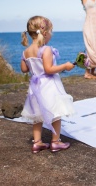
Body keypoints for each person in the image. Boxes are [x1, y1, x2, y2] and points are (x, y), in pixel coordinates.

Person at [20, 15, 76, 153]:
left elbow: (24, 69)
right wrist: (65, 66)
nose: (51, 34)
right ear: (45, 33)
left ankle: (37, 142)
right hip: (49, 86)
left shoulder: (26, 52)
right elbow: (49, 69)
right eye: (51, 31)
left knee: (37, 115)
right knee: (55, 113)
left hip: (35, 87)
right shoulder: (46, 49)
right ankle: (55, 141)